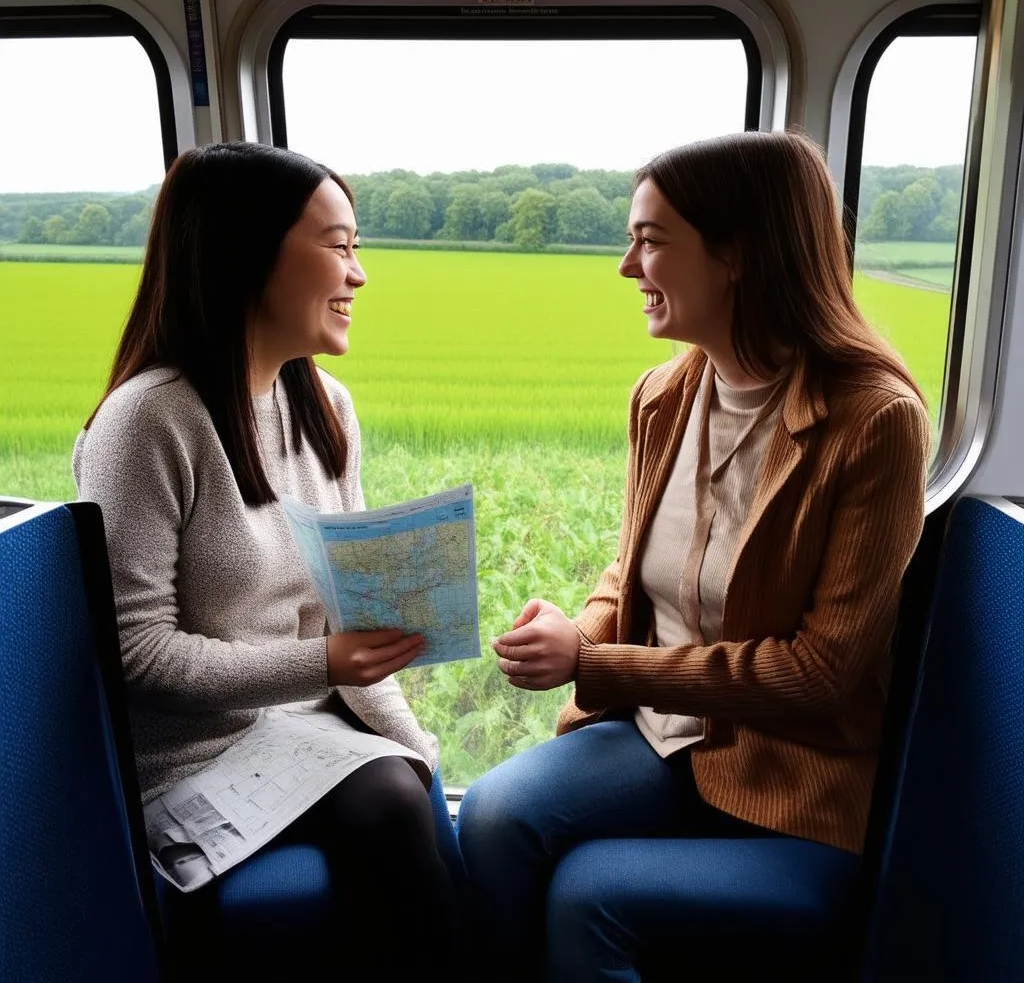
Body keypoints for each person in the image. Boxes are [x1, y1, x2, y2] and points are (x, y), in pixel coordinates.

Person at [456, 130, 931, 981]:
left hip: (795, 772)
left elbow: (820, 673)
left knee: (589, 893)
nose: (625, 267)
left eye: (649, 240)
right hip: (659, 739)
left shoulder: (874, 421)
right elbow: (628, 567)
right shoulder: (664, 395)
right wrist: (583, 626)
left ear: (738, 254)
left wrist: (599, 662)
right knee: (491, 813)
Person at [74, 141, 462, 978]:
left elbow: (349, 624)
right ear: (250, 253)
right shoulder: (147, 422)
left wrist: (420, 749)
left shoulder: (323, 402)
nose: (359, 275)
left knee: (412, 786)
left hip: (302, 729)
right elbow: (138, 658)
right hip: (188, 756)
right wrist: (321, 662)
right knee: (396, 805)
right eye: (339, 246)